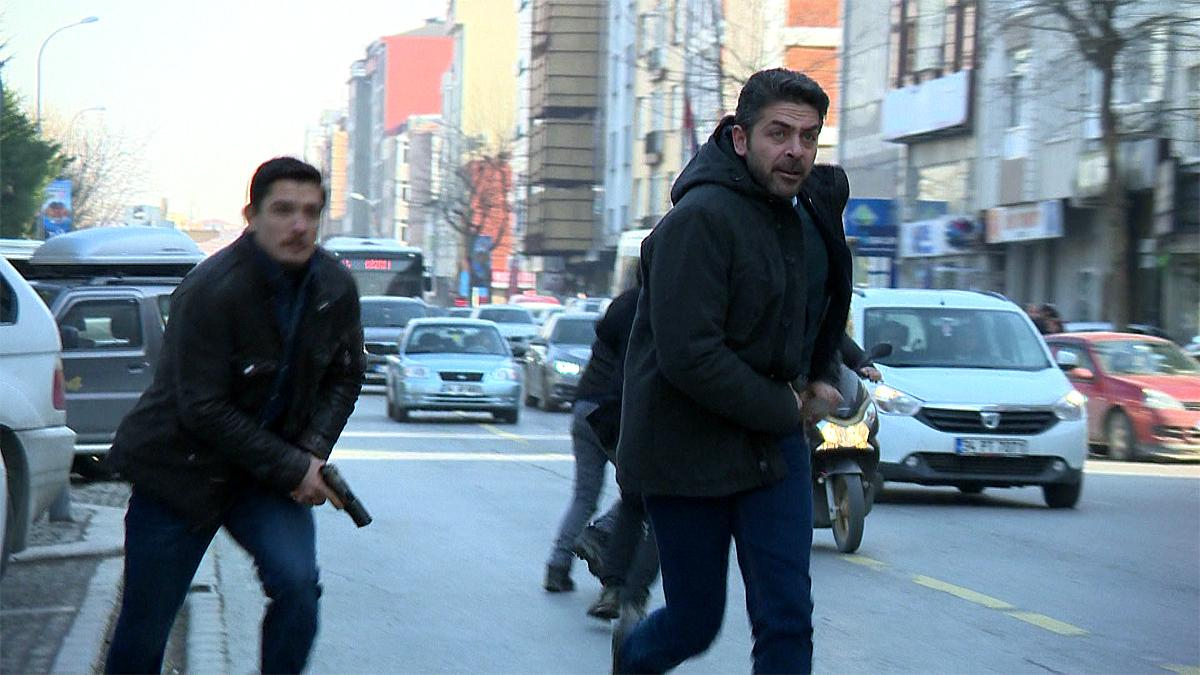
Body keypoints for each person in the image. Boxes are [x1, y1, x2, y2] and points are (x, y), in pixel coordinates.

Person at [612, 68, 852, 674]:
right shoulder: (700, 220)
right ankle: (632, 658)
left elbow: (822, 308)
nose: (795, 151)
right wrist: (786, 407)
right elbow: (690, 355)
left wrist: (824, 370)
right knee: (695, 621)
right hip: (687, 449)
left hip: (772, 449)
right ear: (741, 139)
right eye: (779, 133)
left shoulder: (804, 215)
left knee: (786, 616)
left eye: (808, 137)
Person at [104, 157, 365, 674]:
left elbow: (347, 373)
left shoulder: (335, 286)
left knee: (298, 588)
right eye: (283, 210)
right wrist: (295, 468)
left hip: (265, 477)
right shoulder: (210, 289)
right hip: (178, 473)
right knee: (145, 629)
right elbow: (202, 408)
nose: (299, 225)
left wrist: (312, 452)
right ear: (252, 216)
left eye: (311, 212)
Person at [572, 286, 660, 622]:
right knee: (662, 512)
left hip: (627, 416)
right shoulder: (680, 305)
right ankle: (632, 597)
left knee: (634, 502)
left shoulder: (631, 310)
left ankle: (613, 588)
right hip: (665, 422)